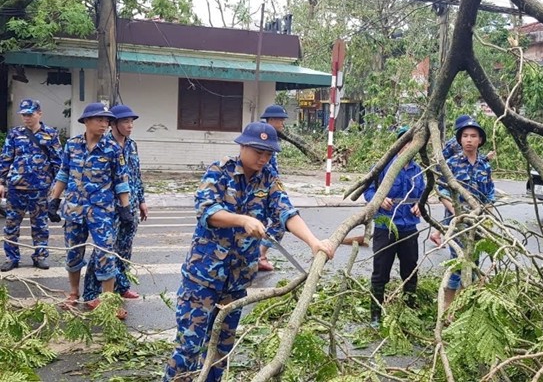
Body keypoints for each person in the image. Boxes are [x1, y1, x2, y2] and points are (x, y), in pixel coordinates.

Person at [163, 122, 334, 382]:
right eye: (258, 151)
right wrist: (242, 220)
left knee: (221, 351)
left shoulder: (269, 179)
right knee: (189, 349)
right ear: (242, 146)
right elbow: (207, 212)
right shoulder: (220, 171)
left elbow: (286, 212)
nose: (263, 158)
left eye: (269, 153)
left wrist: (314, 242)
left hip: (236, 281)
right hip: (202, 280)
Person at [48, 102, 134, 319]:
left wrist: (125, 209)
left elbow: (121, 181)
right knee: (73, 254)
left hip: (102, 212)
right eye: (100, 119)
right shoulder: (72, 145)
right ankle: (74, 293)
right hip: (74, 210)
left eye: (107, 120)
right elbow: (63, 174)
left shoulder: (113, 149)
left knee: (106, 255)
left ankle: (107, 301)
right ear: (86, 121)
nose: (105, 124)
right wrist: (54, 200)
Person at [83, 105, 148, 304]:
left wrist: (142, 201)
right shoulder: (103, 144)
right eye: (125, 122)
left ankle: (122, 286)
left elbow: (136, 175)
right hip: (109, 206)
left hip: (131, 204)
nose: (130, 126)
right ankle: (92, 293)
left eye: (131, 122)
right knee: (104, 250)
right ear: (114, 124)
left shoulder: (132, 145)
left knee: (125, 247)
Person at [363, 126, 426, 328]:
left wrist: (419, 206)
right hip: (385, 226)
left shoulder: (418, 171)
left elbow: (423, 195)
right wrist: (379, 200)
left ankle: (408, 309)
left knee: (410, 268)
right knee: (381, 270)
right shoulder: (382, 167)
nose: (407, 147)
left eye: (411, 144)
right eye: (404, 142)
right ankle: (375, 314)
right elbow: (368, 192)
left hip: (409, 228)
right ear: (398, 145)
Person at [431, 117, 495, 310]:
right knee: (458, 263)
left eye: (473, 136)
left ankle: (465, 306)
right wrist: (456, 212)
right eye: (465, 136)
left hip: (477, 223)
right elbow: (441, 190)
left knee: (473, 261)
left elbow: (489, 192)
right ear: (459, 140)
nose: (469, 140)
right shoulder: (450, 163)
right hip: (457, 223)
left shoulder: (484, 165)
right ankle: (448, 308)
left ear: (480, 140)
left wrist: (488, 213)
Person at [0, 99, 62, 271]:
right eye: (24, 115)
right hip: (16, 187)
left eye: (30, 114)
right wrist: (1, 182)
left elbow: (58, 162)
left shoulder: (50, 134)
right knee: (12, 224)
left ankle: (40, 256)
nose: (26, 118)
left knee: (40, 225)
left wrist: (57, 189)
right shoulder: (15, 134)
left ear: (39, 113)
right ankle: (12, 258)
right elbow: (5, 159)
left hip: (41, 188)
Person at [257, 104, 288, 271]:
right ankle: (259, 256)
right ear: (272, 120)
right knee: (279, 221)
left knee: (277, 221)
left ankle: (260, 255)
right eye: (281, 120)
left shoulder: (271, 136)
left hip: (270, 188)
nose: (282, 124)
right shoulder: (263, 137)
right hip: (262, 189)